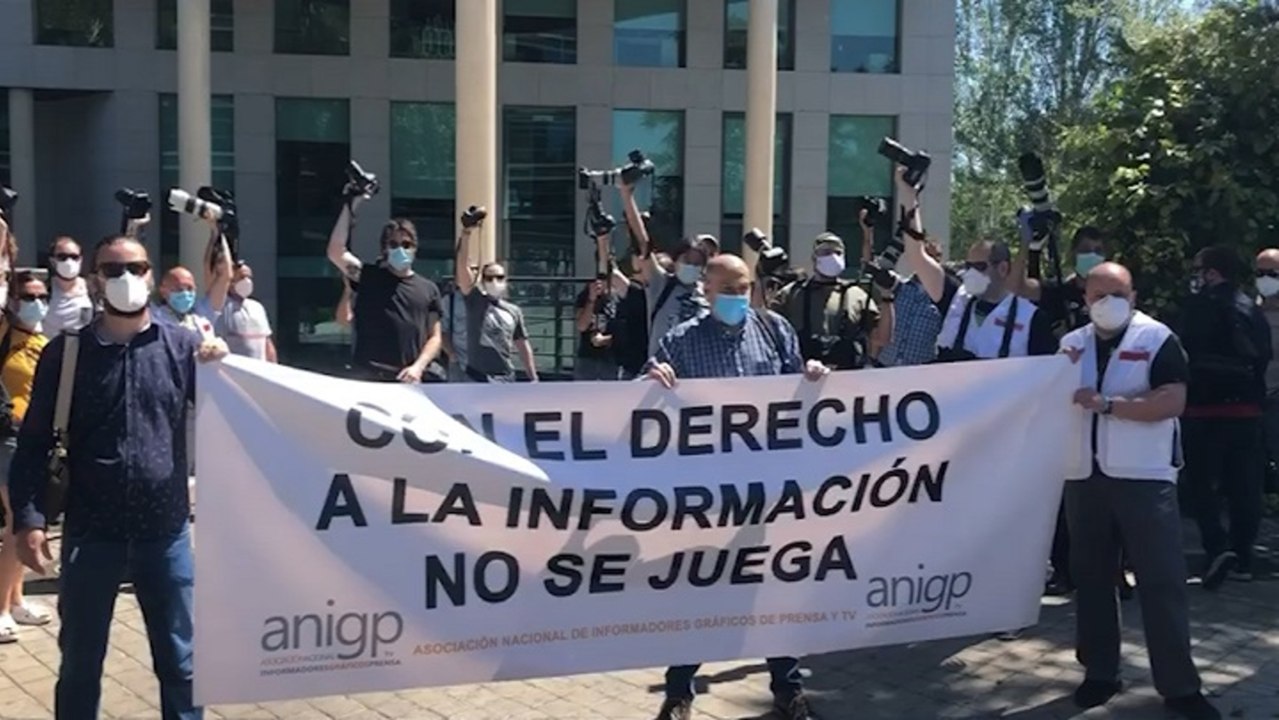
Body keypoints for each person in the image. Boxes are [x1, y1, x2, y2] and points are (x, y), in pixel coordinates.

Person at [9, 234, 227, 720]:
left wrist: (222, 368)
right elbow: (34, 443)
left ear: (153, 276)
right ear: (95, 278)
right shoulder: (67, 355)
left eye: (136, 268)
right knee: (81, 665)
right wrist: (28, 519)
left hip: (165, 534)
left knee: (182, 663)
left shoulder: (184, 348)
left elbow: (234, 417)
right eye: (112, 269)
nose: (125, 279)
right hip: (91, 535)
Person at [646, 254, 827, 720]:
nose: (738, 298)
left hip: (765, 492)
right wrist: (651, 380)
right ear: (706, 290)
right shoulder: (680, 342)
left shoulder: (774, 330)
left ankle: (786, 687)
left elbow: (796, 388)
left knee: (768, 590)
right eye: (728, 290)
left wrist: (811, 376)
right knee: (701, 590)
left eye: (745, 288)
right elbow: (638, 404)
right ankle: (679, 691)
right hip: (708, 496)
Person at [1060, 262, 1220, 720]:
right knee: (1090, 578)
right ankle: (1099, 672)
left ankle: (1179, 686)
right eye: (1096, 293)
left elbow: (1173, 400)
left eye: (1116, 293)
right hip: (1084, 476)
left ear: (1132, 296)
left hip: (1144, 478)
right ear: (1084, 298)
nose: (1105, 302)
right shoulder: (1070, 344)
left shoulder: (1156, 339)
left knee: (1162, 581)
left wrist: (1111, 406)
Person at [1177, 245, 1271, 588]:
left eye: (1199, 270)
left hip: (1202, 410)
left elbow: (1181, 353)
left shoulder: (1197, 308)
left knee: (1202, 486)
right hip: (1245, 411)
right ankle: (1243, 556)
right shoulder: (1251, 309)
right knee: (1245, 487)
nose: (1196, 276)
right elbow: (1263, 357)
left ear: (1212, 273)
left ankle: (1216, 547)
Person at [900, 173, 1056, 361]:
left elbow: (1049, 374)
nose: (971, 272)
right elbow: (917, 256)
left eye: (980, 266)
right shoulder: (956, 298)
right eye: (968, 266)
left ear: (1003, 269)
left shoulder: (1032, 319)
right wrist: (909, 194)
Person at [326, 191, 443, 383]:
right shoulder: (368, 277)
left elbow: (435, 337)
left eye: (406, 244)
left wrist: (418, 367)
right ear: (385, 248)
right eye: (394, 244)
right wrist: (351, 204)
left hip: (409, 379)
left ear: (415, 248)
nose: (400, 249)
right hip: (369, 376)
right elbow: (335, 251)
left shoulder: (428, 289)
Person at [0, 271, 54, 643]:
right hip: (6, 439)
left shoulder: (42, 341)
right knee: (16, 523)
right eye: (28, 295)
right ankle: (0, 608)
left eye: (41, 294)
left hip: (33, 442)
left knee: (23, 521)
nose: (36, 301)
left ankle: (16, 600)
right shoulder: (5, 335)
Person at [616, 183, 717, 356]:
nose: (691, 266)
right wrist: (627, 196)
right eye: (687, 260)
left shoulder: (706, 292)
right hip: (662, 371)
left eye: (697, 262)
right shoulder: (662, 284)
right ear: (676, 260)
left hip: (696, 372)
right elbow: (642, 243)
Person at [771, 232, 890, 368]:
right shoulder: (791, 293)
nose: (833, 257)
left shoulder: (856, 295)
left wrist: (887, 296)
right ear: (814, 258)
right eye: (826, 252)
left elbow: (882, 339)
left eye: (838, 253)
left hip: (848, 380)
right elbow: (765, 330)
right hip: (801, 377)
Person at [453, 216, 538, 383]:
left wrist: (532, 376)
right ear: (483, 281)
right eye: (489, 278)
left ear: (506, 281)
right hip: (477, 377)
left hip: (505, 377)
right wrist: (467, 233)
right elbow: (462, 268)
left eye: (499, 277)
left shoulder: (513, 311)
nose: (494, 282)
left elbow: (522, 344)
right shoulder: (475, 300)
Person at [1013, 224, 1107, 335]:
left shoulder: (1113, 294)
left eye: (1098, 251)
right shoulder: (1058, 291)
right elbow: (1017, 287)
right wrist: (1028, 244)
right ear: (1073, 254)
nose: (1092, 256)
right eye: (1085, 250)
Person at [1254, 248, 1279, 496]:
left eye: (1272, 273)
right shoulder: (1251, 310)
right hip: (1253, 396)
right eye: (1260, 273)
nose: (1265, 279)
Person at [43, 235, 95, 338]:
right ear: (52, 261)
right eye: (62, 257)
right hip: (51, 350)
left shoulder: (93, 289)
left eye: (74, 257)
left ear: (81, 259)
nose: (69, 261)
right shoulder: (44, 291)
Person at [574, 278, 619, 380]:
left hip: (610, 358)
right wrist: (591, 300)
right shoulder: (584, 296)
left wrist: (606, 340)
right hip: (587, 357)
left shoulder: (616, 296)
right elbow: (581, 326)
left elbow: (623, 330)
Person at [154, 266, 214, 340]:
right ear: (163, 292)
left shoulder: (202, 322)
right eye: (179, 288)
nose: (185, 293)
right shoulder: (156, 322)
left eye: (189, 288)